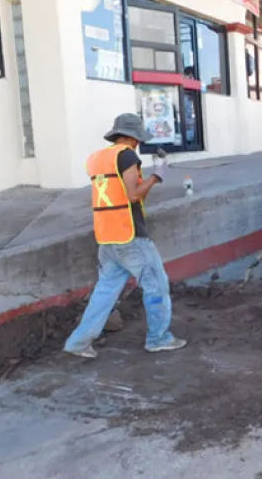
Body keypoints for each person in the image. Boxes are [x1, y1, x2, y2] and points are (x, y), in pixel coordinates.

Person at [63, 113, 187, 359]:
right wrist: (157, 175)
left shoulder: (97, 158)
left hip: (107, 237)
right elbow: (133, 195)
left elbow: (120, 193)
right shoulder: (127, 155)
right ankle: (159, 338)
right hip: (129, 235)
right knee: (157, 285)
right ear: (134, 138)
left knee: (105, 291)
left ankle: (78, 342)